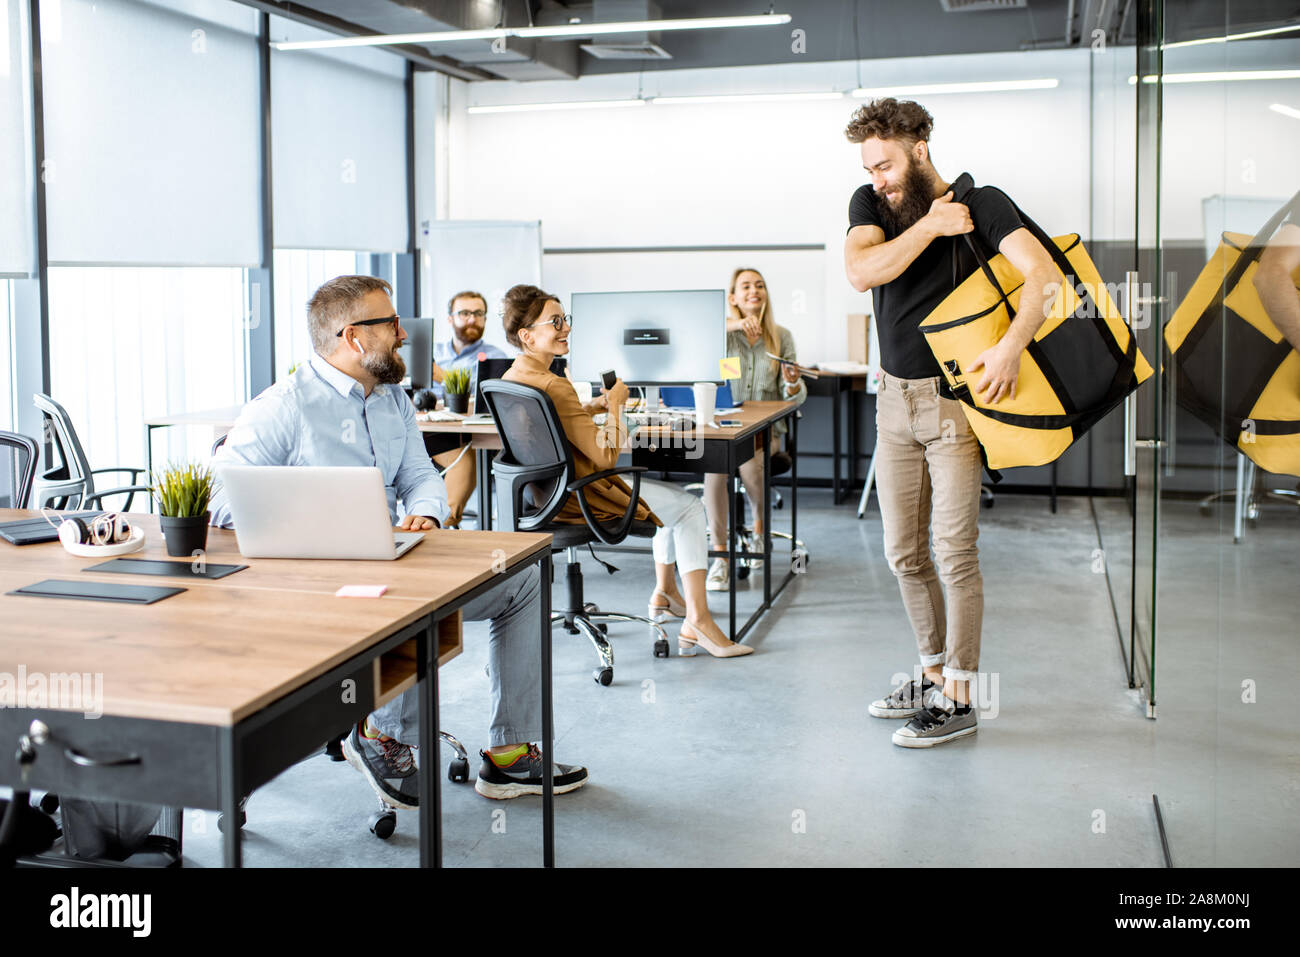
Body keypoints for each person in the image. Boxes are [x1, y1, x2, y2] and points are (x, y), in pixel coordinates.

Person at [210, 275, 588, 801]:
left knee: (523, 580)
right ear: (353, 337)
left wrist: (428, 515)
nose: (402, 332)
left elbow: (419, 476)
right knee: (415, 604)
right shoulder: (284, 405)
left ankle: (509, 752)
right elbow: (223, 498)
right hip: (322, 577)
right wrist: (325, 525)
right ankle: (382, 732)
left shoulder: (390, 399)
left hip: (392, 555)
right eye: (389, 323)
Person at [843, 98, 1058, 747]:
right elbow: (861, 272)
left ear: (920, 148)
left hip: (953, 405)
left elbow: (1043, 277)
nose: (877, 177)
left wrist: (1013, 345)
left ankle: (961, 694)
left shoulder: (983, 203)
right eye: (870, 166)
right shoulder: (870, 205)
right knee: (903, 551)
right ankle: (933, 674)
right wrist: (931, 228)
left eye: (885, 163)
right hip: (893, 402)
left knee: (954, 552)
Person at [500, 283, 754, 658]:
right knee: (688, 508)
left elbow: (549, 426)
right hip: (583, 496)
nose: (565, 328)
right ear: (527, 335)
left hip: (544, 495)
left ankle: (666, 592)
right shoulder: (556, 384)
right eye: (555, 322)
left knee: (670, 505)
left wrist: (593, 408)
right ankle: (698, 620)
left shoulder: (514, 378)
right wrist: (618, 405)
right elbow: (604, 457)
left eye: (564, 319)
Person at [703, 267, 807, 592]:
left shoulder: (781, 336)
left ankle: (759, 531)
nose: (754, 291)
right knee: (713, 472)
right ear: (733, 297)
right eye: (745, 286)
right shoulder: (721, 335)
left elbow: (796, 396)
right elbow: (699, 328)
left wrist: (791, 384)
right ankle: (720, 556)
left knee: (749, 464)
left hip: (766, 431)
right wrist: (735, 323)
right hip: (725, 428)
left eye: (759, 285)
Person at [425, 290, 510, 527]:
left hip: (464, 438)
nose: (472, 319)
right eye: (464, 313)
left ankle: (441, 524)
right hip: (425, 429)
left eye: (478, 313)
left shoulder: (494, 357)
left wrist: (444, 378)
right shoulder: (432, 353)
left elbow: (489, 396)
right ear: (450, 318)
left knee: (465, 458)